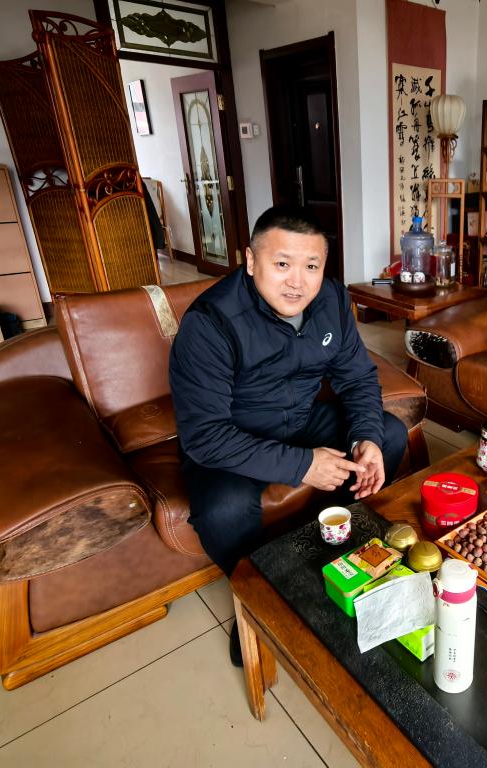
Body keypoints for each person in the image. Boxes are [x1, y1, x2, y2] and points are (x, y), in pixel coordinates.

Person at [170, 205, 407, 664]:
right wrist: (303, 465)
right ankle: (257, 597)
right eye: (282, 264)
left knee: (390, 436)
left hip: (300, 420)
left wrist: (366, 437)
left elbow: (358, 377)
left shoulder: (331, 299)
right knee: (222, 508)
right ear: (250, 260)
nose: (297, 282)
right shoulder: (210, 323)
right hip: (235, 441)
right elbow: (206, 436)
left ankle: (332, 554)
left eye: (311, 266)